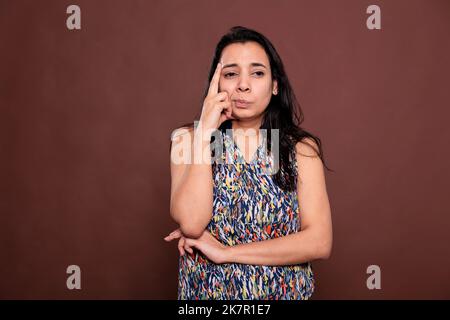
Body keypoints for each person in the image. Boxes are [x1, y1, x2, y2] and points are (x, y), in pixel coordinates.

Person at [164, 26, 333, 300]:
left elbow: (320, 241)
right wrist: (206, 133)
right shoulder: (189, 140)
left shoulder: (298, 148)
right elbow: (193, 223)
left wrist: (227, 253)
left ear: (275, 84)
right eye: (231, 74)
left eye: (257, 73)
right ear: (216, 83)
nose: (243, 85)